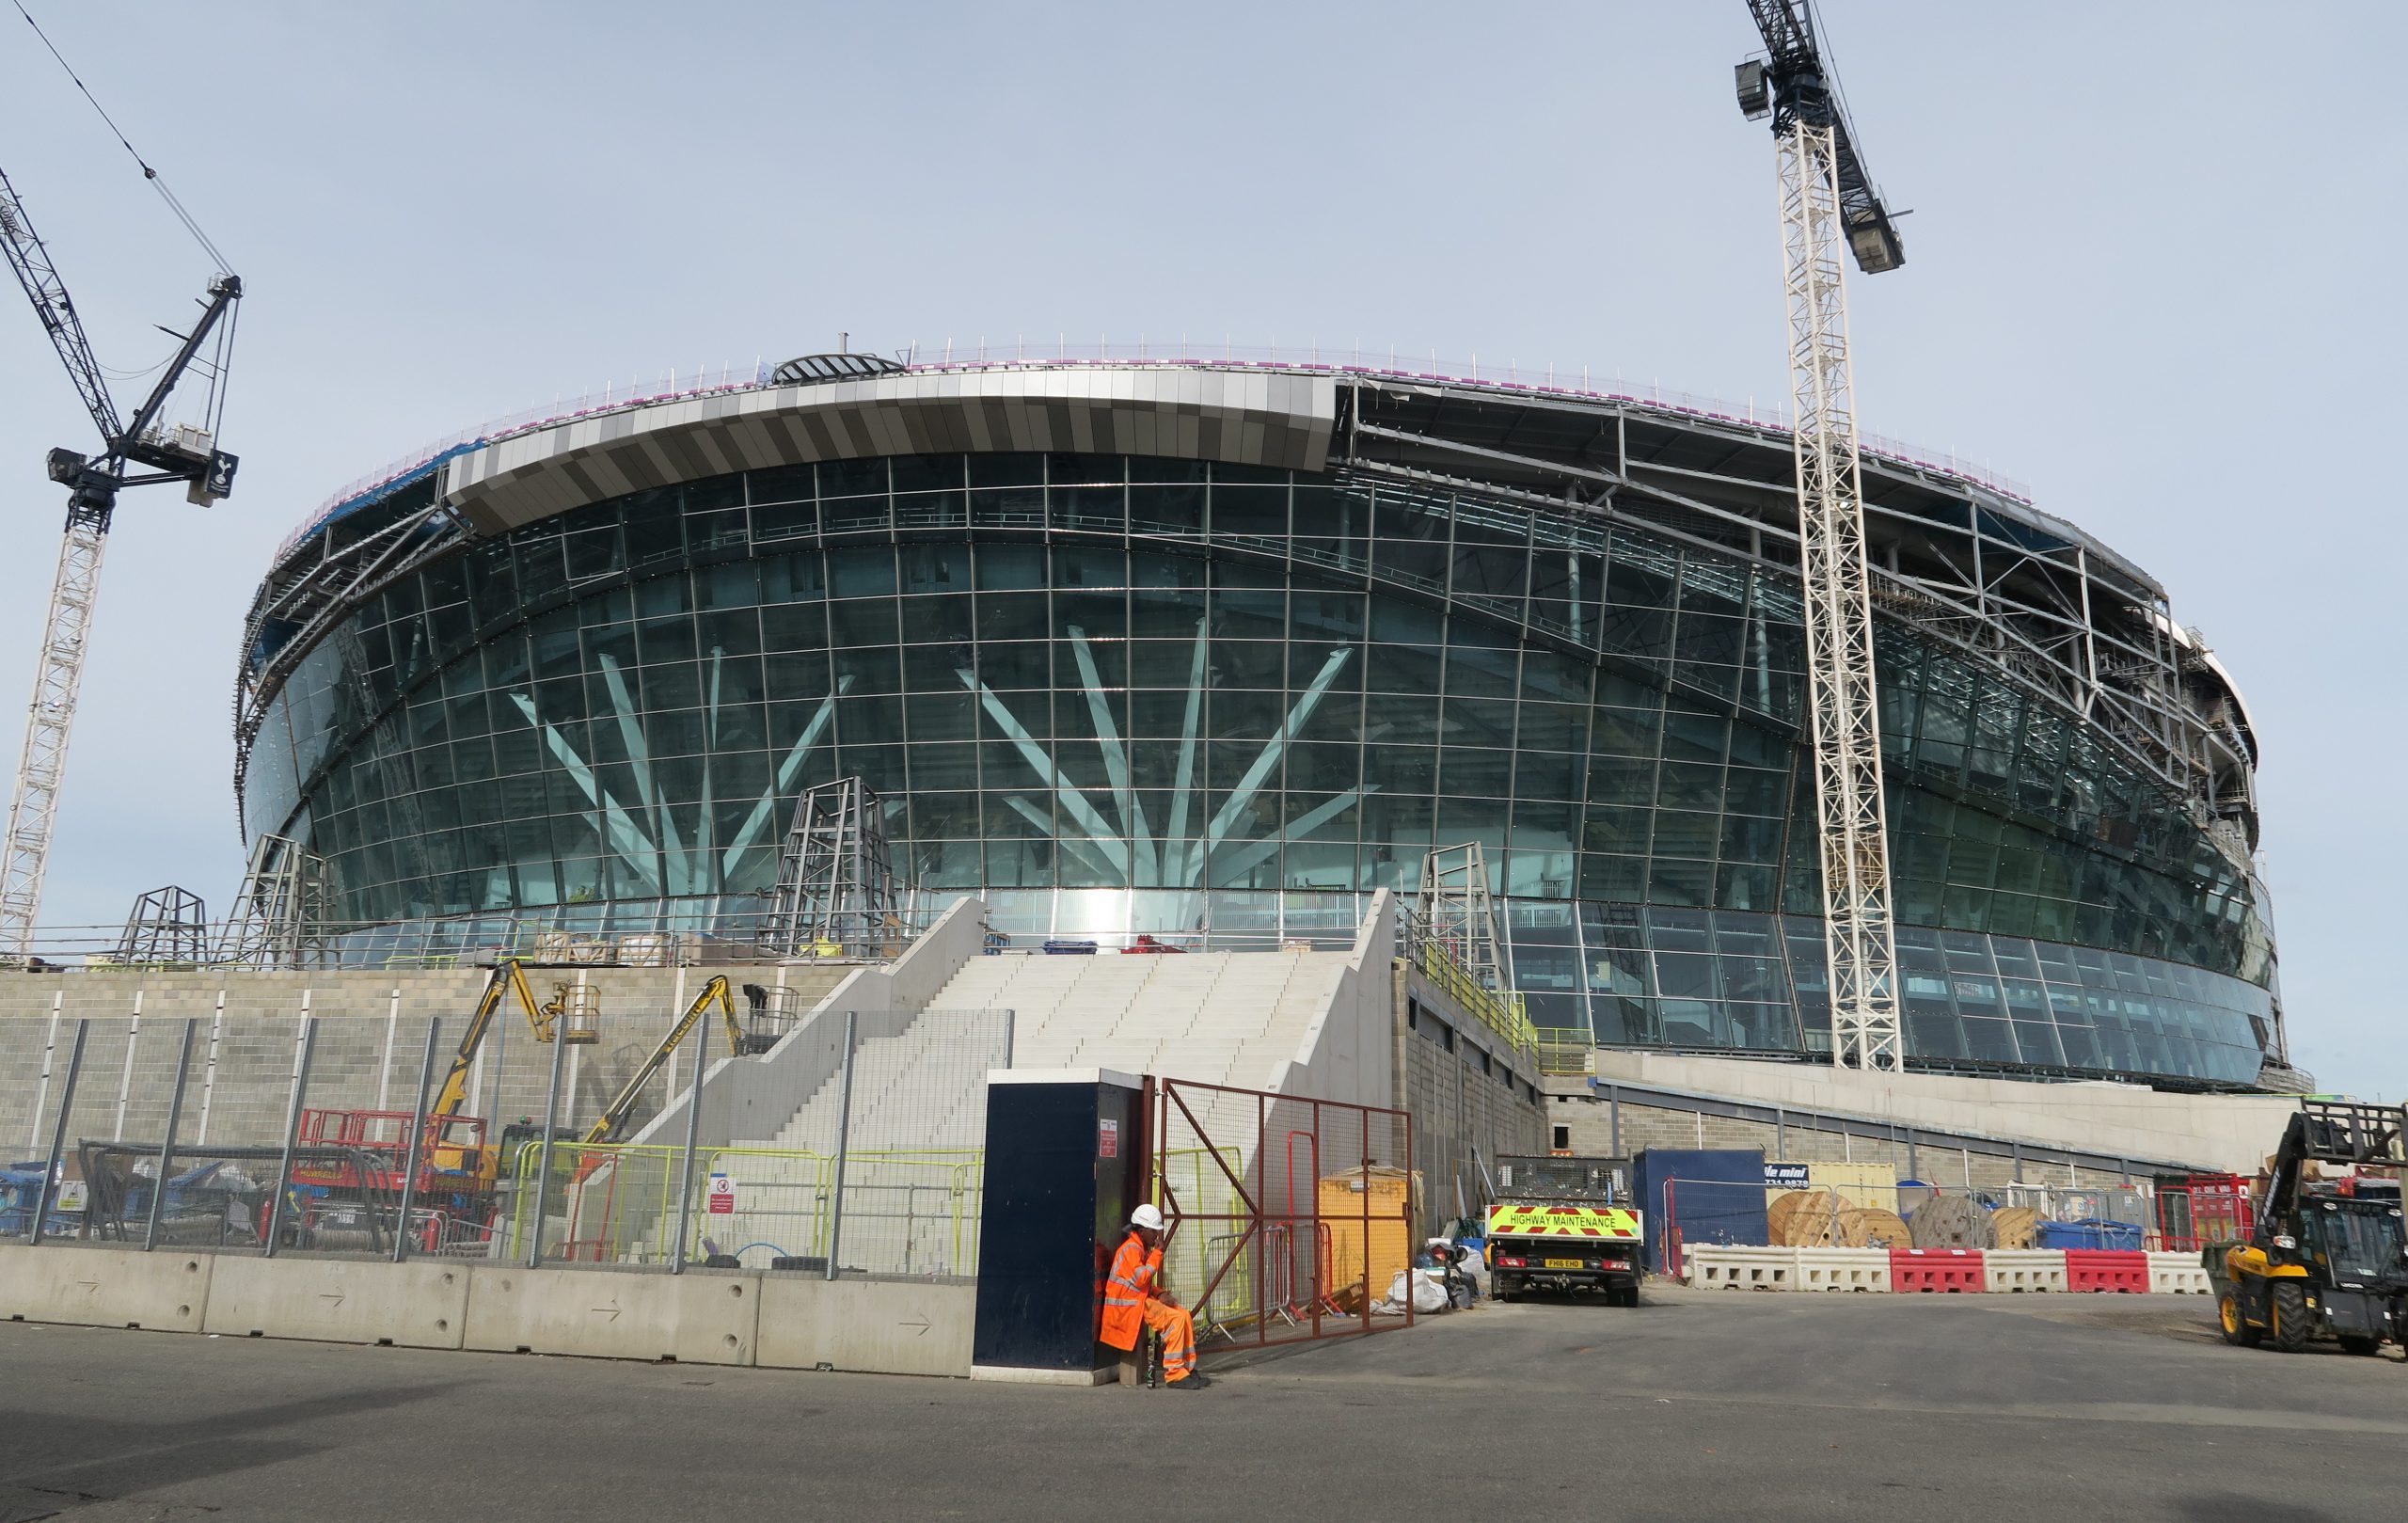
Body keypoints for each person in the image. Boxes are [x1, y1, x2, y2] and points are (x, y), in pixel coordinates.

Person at [1100, 1203, 1205, 1389]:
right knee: (1176, 1320)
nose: (1157, 1236)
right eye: (1154, 1231)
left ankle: (1186, 1369)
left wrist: (1160, 1293)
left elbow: (1141, 1283)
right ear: (1141, 1230)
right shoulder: (1132, 1249)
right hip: (1129, 1307)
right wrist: (1158, 1254)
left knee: (1184, 1315)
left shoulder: (1138, 1248)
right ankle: (1174, 1375)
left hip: (1138, 1301)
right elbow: (1141, 1279)